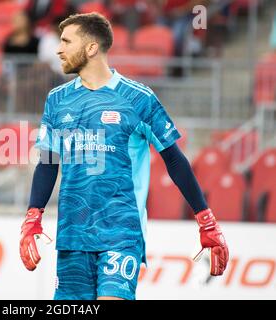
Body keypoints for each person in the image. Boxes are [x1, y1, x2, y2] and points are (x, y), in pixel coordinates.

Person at [19, 12, 229, 300]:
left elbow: (175, 160)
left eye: (67, 41)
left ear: (91, 48)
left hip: (121, 231)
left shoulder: (138, 99)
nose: (59, 48)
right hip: (72, 235)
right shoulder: (57, 99)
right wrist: (33, 216)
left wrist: (206, 220)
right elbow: (47, 161)